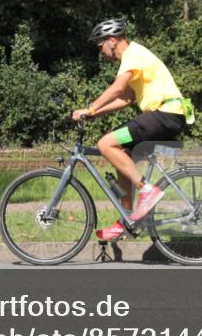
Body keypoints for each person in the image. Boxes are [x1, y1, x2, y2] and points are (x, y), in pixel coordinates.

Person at [71, 18, 189, 240]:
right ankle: (127, 219)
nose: (102, 52)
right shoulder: (136, 57)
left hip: (165, 114)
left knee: (106, 144)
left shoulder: (132, 55)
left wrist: (89, 107)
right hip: (165, 116)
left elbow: (117, 89)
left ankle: (147, 190)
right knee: (122, 155)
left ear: (112, 40)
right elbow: (126, 98)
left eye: (101, 46)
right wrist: (94, 113)